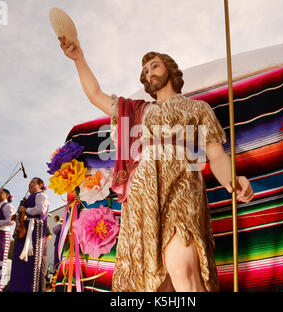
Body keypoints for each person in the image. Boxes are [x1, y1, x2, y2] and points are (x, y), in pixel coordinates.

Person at [58, 36, 254, 292]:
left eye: (154, 65)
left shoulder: (198, 109)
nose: (149, 72)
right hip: (142, 201)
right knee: (155, 284)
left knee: (183, 270)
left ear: (170, 69)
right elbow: (96, 95)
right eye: (145, 70)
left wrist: (232, 179)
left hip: (182, 191)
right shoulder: (137, 110)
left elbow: (216, 155)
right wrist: (79, 58)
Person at [9, 177, 50, 292]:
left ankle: (30, 288)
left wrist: (25, 210)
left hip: (33, 231)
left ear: (40, 185)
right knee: (19, 263)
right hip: (23, 232)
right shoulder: (27, 198)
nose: (30, 184)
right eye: (29, 182)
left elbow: (41, 209)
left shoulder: (41, 195)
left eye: (33, 182)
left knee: (31, 263)